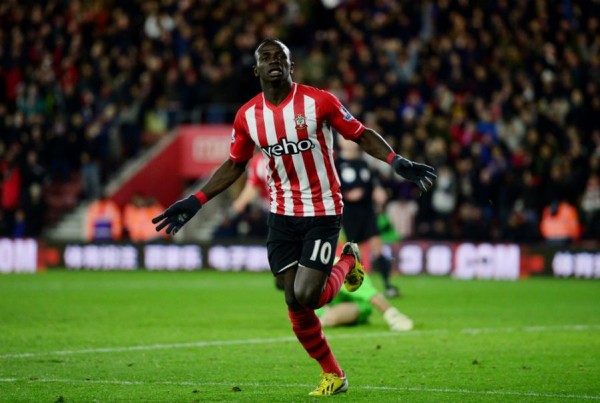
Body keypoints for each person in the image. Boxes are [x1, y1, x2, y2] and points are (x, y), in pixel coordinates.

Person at [152, 39, 436, 397]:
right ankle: (334, 375)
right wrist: (197, 200)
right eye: (265, 58)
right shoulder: (248, 116)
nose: (273, 62)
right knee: (292, 300)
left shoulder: (319, 102)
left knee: (309, 295)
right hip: (282, 214)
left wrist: (396, 161)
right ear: (256, 70)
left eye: (280, 57)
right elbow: (236, 164)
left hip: (323, 210)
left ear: (291, 66)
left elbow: (360, 134)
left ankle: (347, 260)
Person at [335, 137, 401, 298]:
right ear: (340, 142)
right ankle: (353, 287)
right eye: (345, 139)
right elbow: (331, 187)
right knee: (353, 252)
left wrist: (378, 191)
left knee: (377, 246)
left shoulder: (364, 164)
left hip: (367, 211)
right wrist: (346, 195)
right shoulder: (335, 165)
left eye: (350, 139)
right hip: (349, 213)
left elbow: (373, 184)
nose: (349, 142)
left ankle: (388, 285)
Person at [316, 274, 413, 331]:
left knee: (328, 318)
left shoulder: (344, 270)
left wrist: (391, 314)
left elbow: (371, 295)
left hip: (358, 305)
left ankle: (394, 316)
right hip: (326, 304)